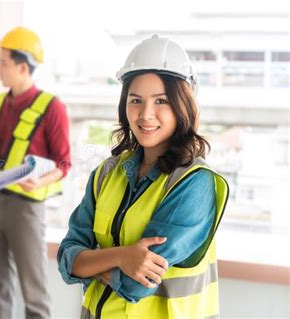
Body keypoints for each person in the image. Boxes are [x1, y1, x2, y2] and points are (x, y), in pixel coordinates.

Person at [57, 35, 229, 319]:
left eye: (161, 100)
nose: (145, 114)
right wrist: (122, 257)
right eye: (135, 100)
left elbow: (136, 284)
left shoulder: (194, 183)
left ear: (182, 105)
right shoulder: (107, 174)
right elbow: (67, 257)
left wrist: (90, 262)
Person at [0, 26, 71, 319]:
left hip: (25, 208)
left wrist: (40, 180)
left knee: (34, 293)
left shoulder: (51, 107)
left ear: (22, 66)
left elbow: (63, 164)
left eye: (3, 63)